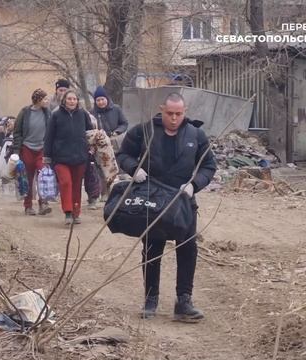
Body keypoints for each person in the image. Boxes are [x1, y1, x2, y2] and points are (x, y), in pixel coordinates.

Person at [116, 92, 216, 322]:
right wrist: (133, 169)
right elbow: (123, 154)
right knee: (152, 249)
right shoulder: (144, 131)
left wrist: (194, 184)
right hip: (153, 199)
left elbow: (209, 166)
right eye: (169, 113)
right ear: (162, 110)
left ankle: (184, 301)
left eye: (178, 114)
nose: (173, 118)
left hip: (183, 201)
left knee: (187, 249)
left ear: (185, 112)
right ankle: (150, 300)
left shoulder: (196, 135)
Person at [44, 89, 94, 225]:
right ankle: (67, 212)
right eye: (69, 99)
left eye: (74, 99)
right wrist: (47, 156)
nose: (72, 101)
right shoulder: (56, 115)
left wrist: (92, 149)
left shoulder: (83, 114)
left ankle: (76, 213)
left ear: (77, 101)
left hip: (80, 157)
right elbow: (49, 137)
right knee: (66, 183)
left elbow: (90, 133)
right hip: (61, 157)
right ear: (64, 100)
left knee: (77, 186)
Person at [13, 88, 52, 216]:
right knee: (28, 178)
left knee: (43, 175)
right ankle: (28, 206)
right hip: (27, 148)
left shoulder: (47, 113)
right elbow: (17, 132)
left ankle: (43, 203)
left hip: (42, 149)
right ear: (38, 100)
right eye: (45, 99)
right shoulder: (25, 112)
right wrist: (16, 151)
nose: (47, 101)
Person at [88, 85, 129, 206]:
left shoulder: (116, 109)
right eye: (98, 100)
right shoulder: (92, 113)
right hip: (99, 145)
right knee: (100, 168)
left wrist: (117, 132)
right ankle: (104, 192)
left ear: (107, 99)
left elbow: (124, 123)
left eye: (102, 99)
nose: (101, 102)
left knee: (113, 168)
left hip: (114, 142)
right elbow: (89, 128)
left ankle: (114, 192)